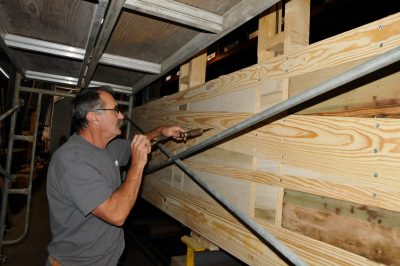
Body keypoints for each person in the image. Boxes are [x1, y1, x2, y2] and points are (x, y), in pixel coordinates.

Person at [46, 87, 184, 266]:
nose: (121, 116)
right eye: (115, 110)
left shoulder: (108, 147)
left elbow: (138, 143)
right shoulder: (72, 161)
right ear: (93, 117)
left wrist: (162, 131)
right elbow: (117, 214)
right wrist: (137, 164)